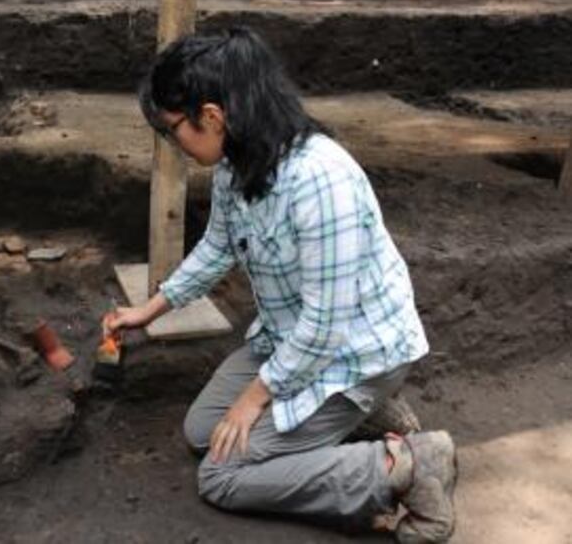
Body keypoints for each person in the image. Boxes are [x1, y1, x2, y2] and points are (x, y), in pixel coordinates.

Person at [105, 27, 456, 542]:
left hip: (353, 354)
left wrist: (255, 398)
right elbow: (218, 247)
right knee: (201, 432)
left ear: (213, 116)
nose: (171, 141)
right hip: (293, 342)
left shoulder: (320, 179)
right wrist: (151, 309)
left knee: (222, 475)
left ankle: (406, 465)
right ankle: (371, 418)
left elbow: (325, 325)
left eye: (170, 128)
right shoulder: (236, 167)